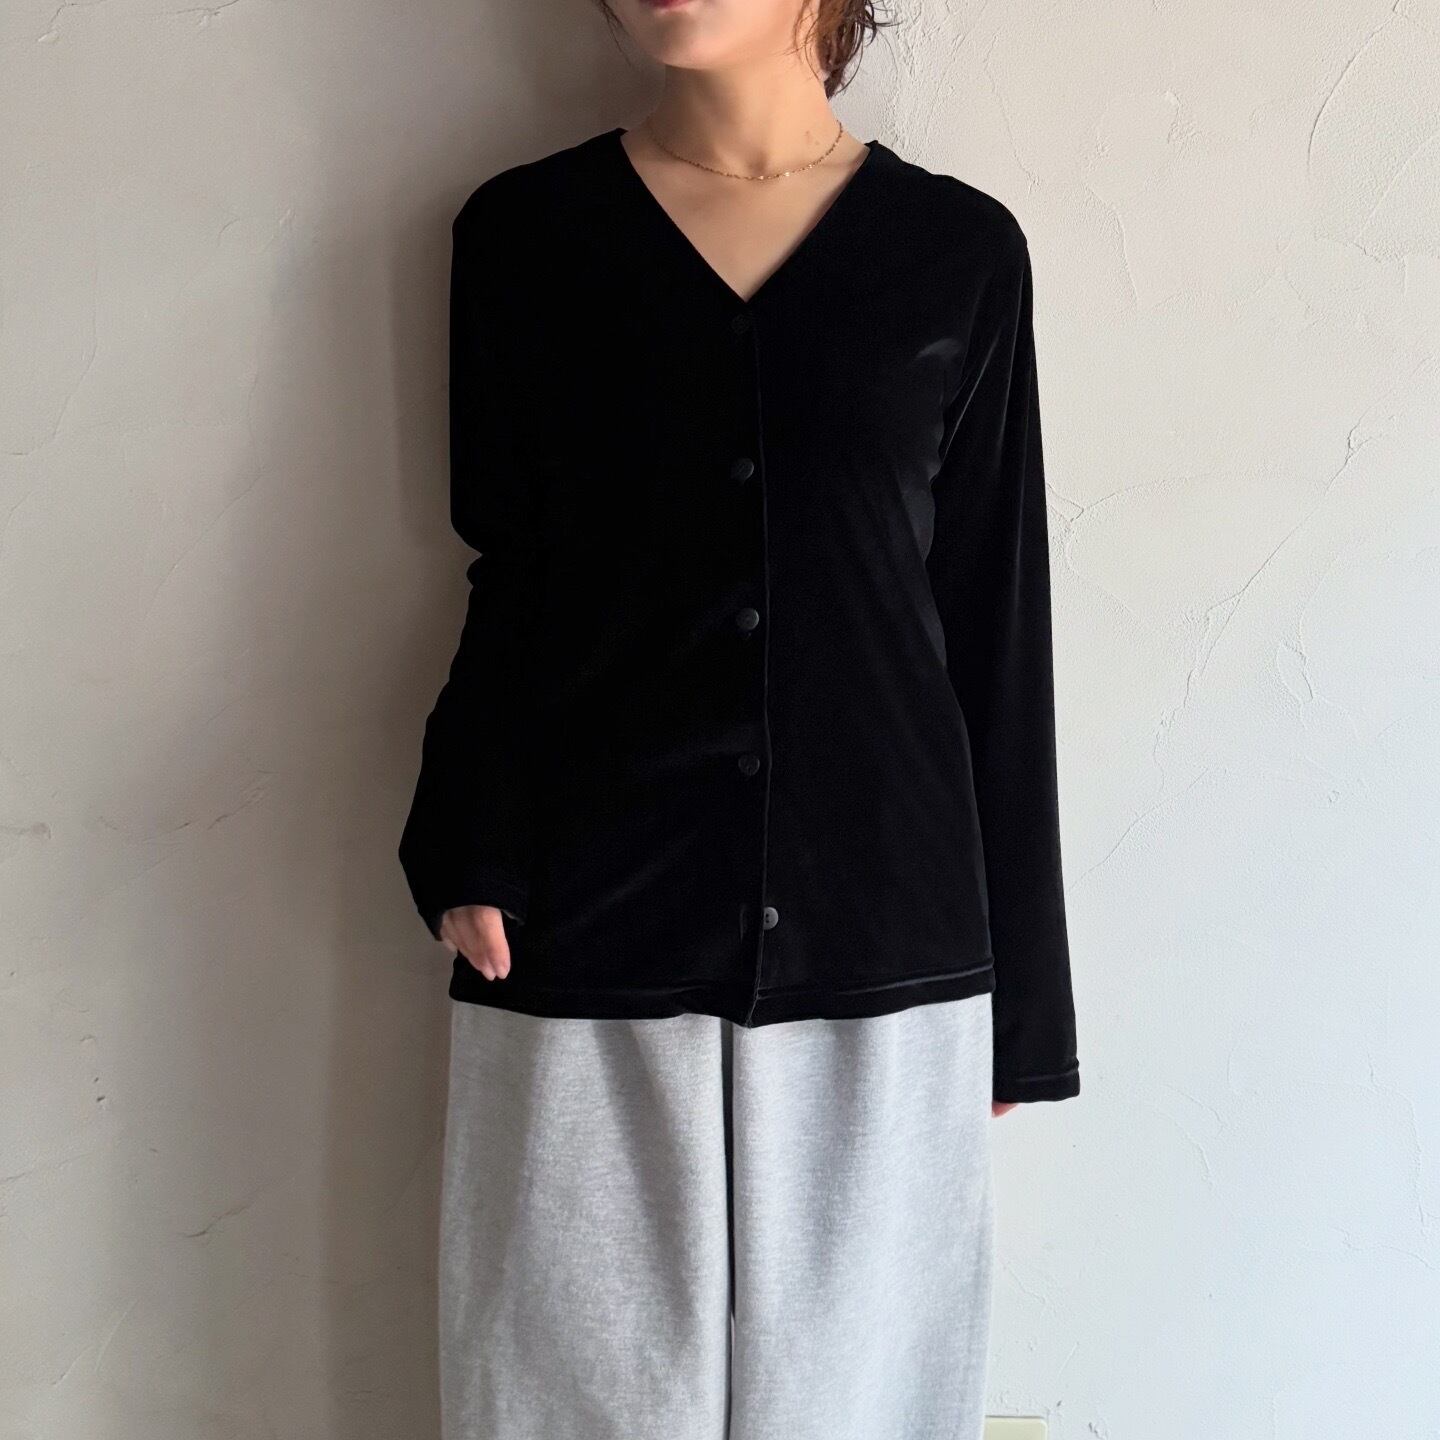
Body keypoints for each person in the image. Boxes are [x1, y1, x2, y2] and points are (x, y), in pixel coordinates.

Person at [398, 1, 1081, 1435]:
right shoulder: (526, 238)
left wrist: (1028, 1005)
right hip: (582, 913)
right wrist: (468, 830)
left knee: (863, 1401)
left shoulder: (956, 255)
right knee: (563, 1391)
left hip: (885, 937)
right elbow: (511, 568)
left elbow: (993, 619)